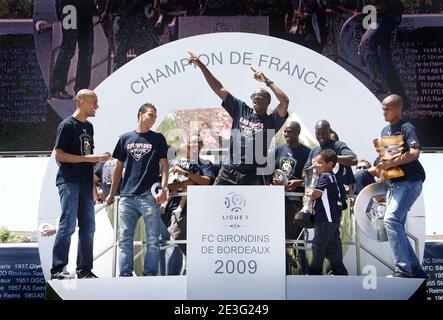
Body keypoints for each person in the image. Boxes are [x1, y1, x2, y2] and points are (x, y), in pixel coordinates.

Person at [187, 52, 289, 185]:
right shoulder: (241, 109)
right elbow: (219, 88)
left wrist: (267, 81)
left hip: (252, 175)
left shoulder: (272, 121)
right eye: (254, 95)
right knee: (215, 203)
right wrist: (201, 66)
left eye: (260, 96)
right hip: (229, 170)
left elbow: (285, 101)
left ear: (268, 102)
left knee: (252, 206)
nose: (256, 97)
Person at [51, 89, 110, 280]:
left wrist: (96, 161)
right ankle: (58, 269)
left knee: (89, 227)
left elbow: (86, 158)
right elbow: (58, 155)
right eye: (94, 103)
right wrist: (88, 158)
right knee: (68, 224)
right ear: (82, 102)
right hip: (69, 181)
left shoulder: (89, 127)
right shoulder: (67, 125)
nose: (97, 107)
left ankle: (84, 270)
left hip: (85, 183)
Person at [106, 103, 168, 277]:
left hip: (150, 196)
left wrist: (163, 188)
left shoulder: (158, 138)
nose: (153, 119)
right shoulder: (125, 138)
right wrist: (112, 194)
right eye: (150, 115)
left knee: (153, 241)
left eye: (155, 117)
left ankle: (149, 277)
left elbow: (164, 165)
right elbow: (118, 168)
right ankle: (125, 276)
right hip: (126, 196)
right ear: (140, 114)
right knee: (125, 240)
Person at [377, 94, 427, 278]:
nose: (384, 112)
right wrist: (383, 176)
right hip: (394, 185)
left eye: (387, 109)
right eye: (383, 108)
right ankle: (416, 271)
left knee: (390, 220)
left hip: (410, 182)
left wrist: (389, 164)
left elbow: (414, 153)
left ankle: (404, 269)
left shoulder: (407, 127)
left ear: (399, 109)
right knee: (396, 224)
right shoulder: (384, 131)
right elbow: (387, 160)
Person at [164, 138, 214, 275]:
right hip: (176, 209)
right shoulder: (175, 163)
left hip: (198, 209)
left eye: (198, 144)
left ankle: (197, 275)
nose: (195, 147)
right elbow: (168, 186)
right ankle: (173, 279)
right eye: (192, 144)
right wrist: (187, 183)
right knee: (178, 244)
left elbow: (206, 182)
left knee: (197, 245)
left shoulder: (206, 164)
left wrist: (186, 174)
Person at [271, 121, 311, 275]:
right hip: (279, 201)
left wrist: (299, 182)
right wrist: (274, 181)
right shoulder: (279, 149)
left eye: (290, 132)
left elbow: (311, 177)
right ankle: (283, 272)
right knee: (280, 238)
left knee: (298, 239)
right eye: (285, 132)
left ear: (298, 133)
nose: (287, 135)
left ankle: (304, 274)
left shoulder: (306, 152)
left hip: (296, 202)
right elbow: (270, 172)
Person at [308, 149, 348, 275]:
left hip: (324, 220)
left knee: (318, 248)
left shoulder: (324, 176)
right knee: (334, 254)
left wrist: (309, 192)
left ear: (330, 164)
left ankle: (313, 277)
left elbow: (315, 194)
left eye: (320, 163)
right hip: (333, 221)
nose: (317, 166)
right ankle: (343, 277)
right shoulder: (332, 177)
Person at [358, 0, 407, 103]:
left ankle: (379, 89)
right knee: (384, 58)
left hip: (387, 16)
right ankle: (400, 97)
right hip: (383, 16)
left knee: (367, 42)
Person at [304, 120, 357, 210]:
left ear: (329, 131)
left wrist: (331, 158)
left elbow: (354, 160)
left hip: (335, 201)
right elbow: (306, 173)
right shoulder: (314, 151)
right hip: (316, 202)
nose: (320, 136)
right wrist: (307, 193)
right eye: (317, 133)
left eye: (323, 133)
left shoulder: (338, 145)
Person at [50, 0, 96, 99]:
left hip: (84, 8)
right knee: (69, 46)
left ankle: (81, 89)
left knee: (86, 48)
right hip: (69, 6)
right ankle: (57, 88)